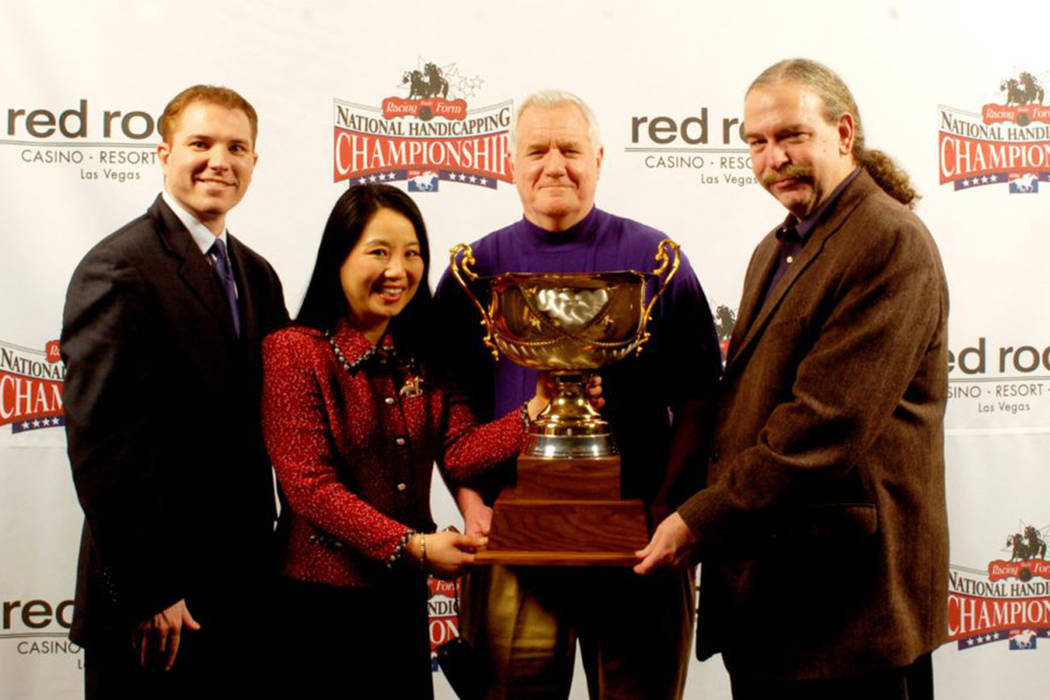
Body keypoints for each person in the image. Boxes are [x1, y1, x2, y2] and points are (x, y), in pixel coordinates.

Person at [636, 58, 949, 699]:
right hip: (773, 601)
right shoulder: (775, 247)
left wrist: (697, 519)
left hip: (848, 613)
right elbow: (744, 407)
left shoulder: (888, 240)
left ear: (843, 131)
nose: (773, 157)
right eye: (757, 141)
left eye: (791, 136)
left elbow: (824, 426)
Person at [434, 90, 722, 699]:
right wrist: (469, 500)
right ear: (511, 162)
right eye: (537, 150)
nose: (554, 165)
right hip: (512, 542)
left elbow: (700, 396)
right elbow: (444, 401)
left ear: (598, 158)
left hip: (641, 543)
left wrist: (670, 508)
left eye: (570, 149)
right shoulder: (473, 270)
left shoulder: (657, 260)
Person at [260, 184, 587, 698]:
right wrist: (412, 546)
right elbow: (309, 486)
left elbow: (460, 450)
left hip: (397, 603)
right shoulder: (292, 353)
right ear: (337, 258)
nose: (399, 270)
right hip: (315, 605)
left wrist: (538, 408)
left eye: (412, 253)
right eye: (379, 252)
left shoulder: (421, 358)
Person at [61, 85, 288, 698]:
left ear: (254, 163)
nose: (220, 160)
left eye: (236, 147)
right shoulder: (119, 267)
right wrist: (150, 590)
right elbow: (101, 445)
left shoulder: (257, 273)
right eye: (201, 143)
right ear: (164, 153)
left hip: (241, 591)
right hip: (155, 606)